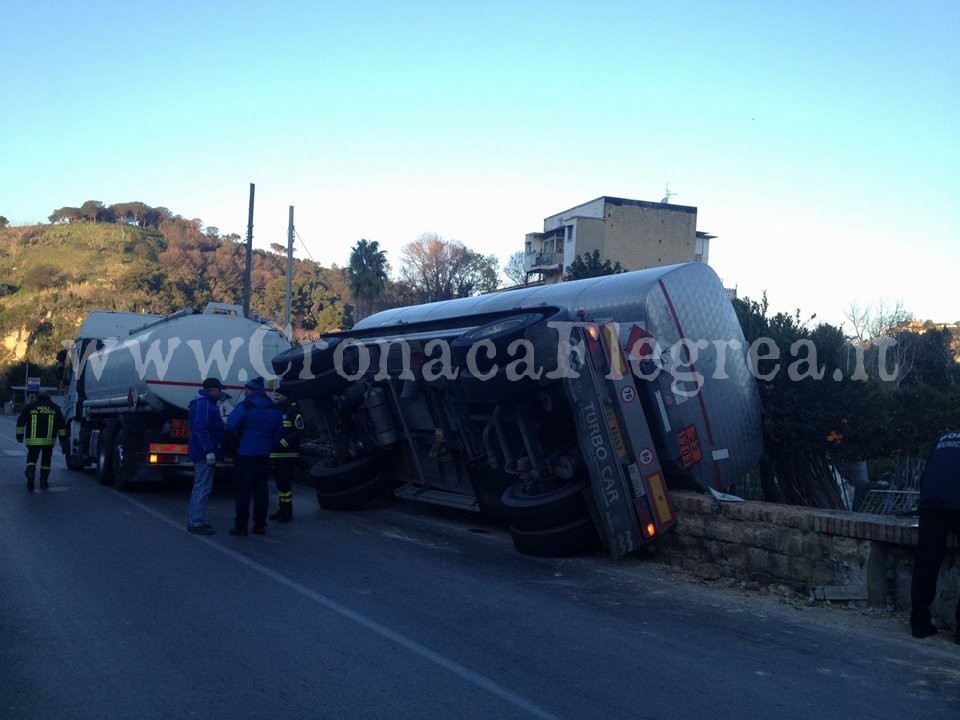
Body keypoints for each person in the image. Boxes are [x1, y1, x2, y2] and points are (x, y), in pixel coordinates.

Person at [910, 429, 960, 643]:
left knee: (926, 563)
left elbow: (929, 472)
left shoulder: (943, 438)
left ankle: (919, 623)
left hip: (931, 503)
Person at [226, 377, 283, 536]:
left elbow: (231, 425)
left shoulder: (245, 406)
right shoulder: (274, 408)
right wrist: (269, 445)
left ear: (250, 390)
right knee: (261, 489)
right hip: (263, 453)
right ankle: (260, 526)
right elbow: (278, 431)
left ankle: (241, 526)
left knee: (243, 490)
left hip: (245, 453)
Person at [186, 377, 227, 535]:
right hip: (204, 453)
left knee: (201, 486)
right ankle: (196, 522)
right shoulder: (203, 404)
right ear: (212, 390)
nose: (221, 393)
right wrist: (209, 450)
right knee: (202, 487)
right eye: (219, 390)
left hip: (202, 451)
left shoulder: (205, 403)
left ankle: (195, 520)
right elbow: (200, 429)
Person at [15, 390, 67, 491]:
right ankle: (43, 481)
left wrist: (19, 436)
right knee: (46, 461)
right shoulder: (55, 408)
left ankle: (30, 472)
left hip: (32, 441)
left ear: (37, 396)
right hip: (49, 441)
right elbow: (62, 426)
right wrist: (63, 440)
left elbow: (21, 421)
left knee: (32, 459)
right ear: (49, 396)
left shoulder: (30, 406)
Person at [269, 383, 304, 522]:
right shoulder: (276, 410)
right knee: (279, 483)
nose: (275, 397)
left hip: (287, 453)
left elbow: (298, 430)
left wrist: (283, 443)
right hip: (276, 453)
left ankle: (287, 511)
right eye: (275, 394)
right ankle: (282, 508)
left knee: (285, 484)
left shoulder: (294, 411)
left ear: (285, 396)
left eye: (278, 395)